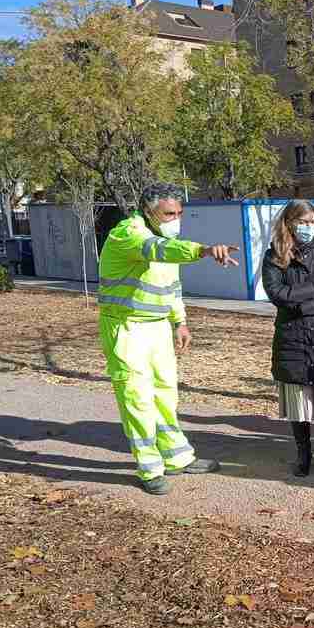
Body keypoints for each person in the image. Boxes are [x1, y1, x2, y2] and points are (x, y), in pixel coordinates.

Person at [98, 182, 240, 495]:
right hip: (126, 327)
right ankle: (149, 467)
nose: (175, 218)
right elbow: (156, 251)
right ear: (148, 212)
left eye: (179, 212)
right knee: (137, 397)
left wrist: (180, 322)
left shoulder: (165, 236)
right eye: (168, 213)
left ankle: (177, 457)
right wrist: (202, 250)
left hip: (158, 327)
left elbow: (170, 286)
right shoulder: (129, 233)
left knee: (165, 393)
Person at [261, 200, 314, 477]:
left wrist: (302, 305)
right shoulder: (274, 256)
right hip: (292, 338)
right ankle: (304, 454)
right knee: (299, 404)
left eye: (312, 222)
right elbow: (276, 294)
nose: (308, 227)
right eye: (303, 222)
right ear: (289, 223)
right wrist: (312, 288)